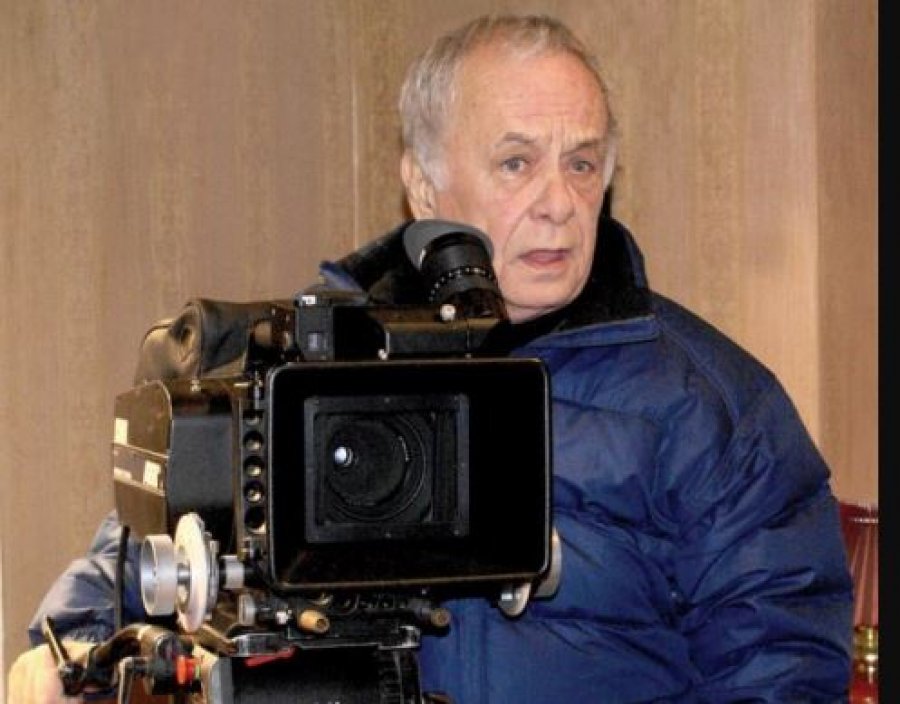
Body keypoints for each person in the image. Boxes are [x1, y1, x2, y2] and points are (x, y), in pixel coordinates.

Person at [8, 13, 853, 703]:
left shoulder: (712, 405)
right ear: (423, 184)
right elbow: (145, 557)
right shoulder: (302, 367)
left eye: (583, 163)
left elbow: (781, 671)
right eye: (517, 162)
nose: (559, 203)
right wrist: (62, 648)